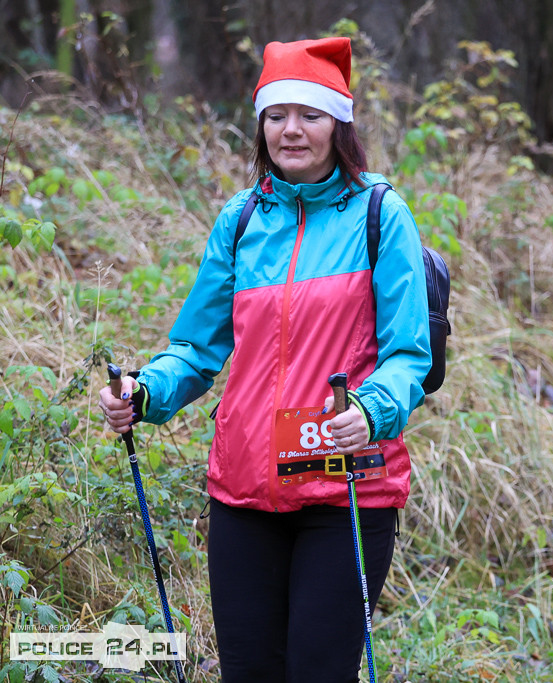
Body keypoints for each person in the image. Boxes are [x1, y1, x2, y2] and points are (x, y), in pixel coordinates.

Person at [99, 37, 431, 682]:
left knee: (317, 672)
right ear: (261, 125)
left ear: (339, 123)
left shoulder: (379, 215)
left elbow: (407, 354)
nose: (291, 130)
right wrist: (145, 390)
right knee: (248, 672)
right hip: (244, 487)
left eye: (310, 114)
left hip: (346, 487)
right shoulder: (241, 217)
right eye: (277, 115)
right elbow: (197, 346)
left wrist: (371, 409)